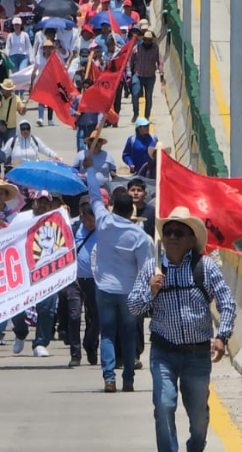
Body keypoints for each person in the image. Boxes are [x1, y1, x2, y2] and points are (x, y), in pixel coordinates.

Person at [129, 208, 237, 452]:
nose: (172, 237)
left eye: (179, 232)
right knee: (164, 405)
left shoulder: (205, 268)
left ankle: (195, 447)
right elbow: (134, 307)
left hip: (197, 355)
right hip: (163, 353)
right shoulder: (151, 269)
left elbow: (227, 303)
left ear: (191, 240)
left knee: (199, 417)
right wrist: (151, 291)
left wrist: (222, 337)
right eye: (168, 233)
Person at [84, 162, 152, 393]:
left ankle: (109, 377)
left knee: (108, 334)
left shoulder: (103, 221)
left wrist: (90, 170)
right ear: (131, 210)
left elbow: (94, 194)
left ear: (112, 207)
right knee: (128, 334)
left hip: (104, 288)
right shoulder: (139, 236)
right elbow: (146, 268)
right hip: (129, 291)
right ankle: (129, 380)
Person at [63, 200, 100, 367]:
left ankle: (90, 344)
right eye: (88, 221)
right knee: (74, 316)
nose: (91, 224)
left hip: (95, 281)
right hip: (75, 281)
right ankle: (75, 353)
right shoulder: (74, 230)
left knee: (96, 317)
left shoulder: (102, 231)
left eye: (94, 221)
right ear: (82, 217)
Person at [129, 28, 163, 121]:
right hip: (138, 75)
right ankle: (136, 113)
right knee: (135, 94)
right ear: (143, 40)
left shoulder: (155, 48)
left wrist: (161, 73)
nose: (148, 42)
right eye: (146, 40)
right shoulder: (137, 48)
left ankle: (146, 116)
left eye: (149, 40)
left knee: (148, 97)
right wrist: (130, 74)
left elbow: (159, 61)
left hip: (150, 76)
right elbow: (131, 61)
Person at [0, 79, 27, 148]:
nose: (9, 91)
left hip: (11, 128)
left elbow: (21, 112)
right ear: (3, 88)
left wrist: (24, 110)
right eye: (7, 89)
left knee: (10, 149)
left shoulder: (16, 98)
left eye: (10, 89)